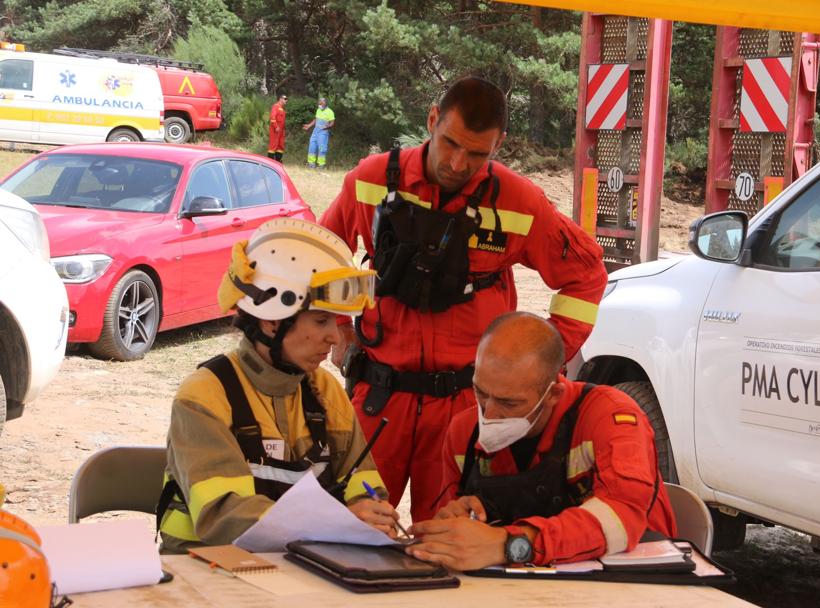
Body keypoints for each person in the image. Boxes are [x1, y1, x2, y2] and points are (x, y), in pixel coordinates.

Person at [319, 76, 608, 522]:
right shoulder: (370, 180)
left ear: (499, 146)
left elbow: (586, 275)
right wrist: (336, 328)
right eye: (450, 143)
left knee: (450, 544)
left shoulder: (519, 201)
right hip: (378, 400)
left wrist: (540, 360)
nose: (457, 163)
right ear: (432, 120)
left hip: (465, 412)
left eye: (478, 154)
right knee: (347, 531)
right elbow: (321, 257)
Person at [157, 218, 400, 554]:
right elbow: (224, 516)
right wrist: (336, 523)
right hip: (205, 570)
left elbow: (363, 483)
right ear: (272, 320)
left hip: (300, 565)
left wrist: (371, 513)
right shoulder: (203, 397)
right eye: (321, 320)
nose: (335, 336)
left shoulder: (324, 391)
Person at [406, 312, 677, 570]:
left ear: (553, 394)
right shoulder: (463, 432)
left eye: (509, 402)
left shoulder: (610, 416)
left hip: (634, 586)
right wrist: (455, 523)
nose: (489, 414)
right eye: (480, 392)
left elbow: (621, 517)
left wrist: (510, 543)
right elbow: (455, 531)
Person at [303, 97, 335, 168]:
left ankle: (321, 165)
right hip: (315, 131)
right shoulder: (318, 110)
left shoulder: (330, 112)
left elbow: (332, 123)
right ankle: (311, 164)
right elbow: (315, 120)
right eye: (319, 101)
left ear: (325, 103)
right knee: (312, 147)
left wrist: (327, 126)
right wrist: (309, 125)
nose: (320, 102)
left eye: (322, 101)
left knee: (322, 148)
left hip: (323, 132)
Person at [267, 94, 287, 162]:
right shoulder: (275, 106)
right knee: (273, 145)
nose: (286, 100)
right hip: (275, 130)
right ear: (280, 99)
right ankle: (270, 162)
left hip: (281, 131)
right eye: (285, 99)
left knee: (280, 146)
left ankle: (278, 161)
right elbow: (272, 117)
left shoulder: (282, 109)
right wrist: (276, 126)